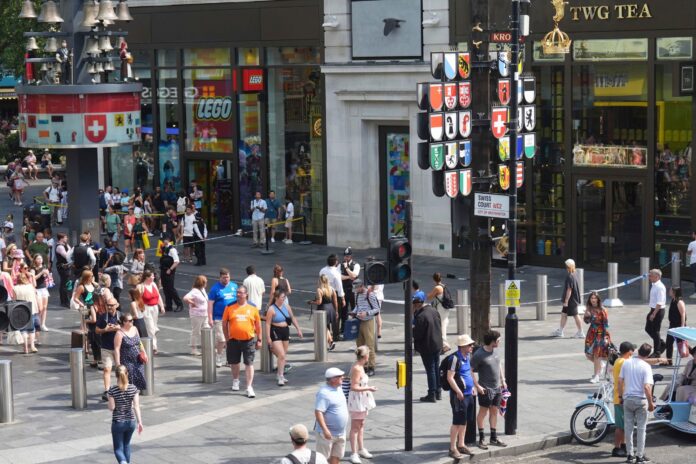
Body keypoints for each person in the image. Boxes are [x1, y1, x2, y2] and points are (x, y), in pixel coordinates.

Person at [618, 343, 656, 464]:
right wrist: (650, 403)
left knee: (628, 428)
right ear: (649, 354)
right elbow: (646, 387)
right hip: (640, 400)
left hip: (627, 399)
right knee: (641, 429)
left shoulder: (626, 362)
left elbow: (619, 381)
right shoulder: (646, 367)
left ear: (638, 351)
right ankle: (640, 456)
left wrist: (620, 396)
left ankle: (630, 455)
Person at [446, 334, 482, 459]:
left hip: (469, 394)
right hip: (459, 396)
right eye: (469, 345)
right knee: (457, 421)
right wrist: (458, 391)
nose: (472, 346)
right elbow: (450, 377)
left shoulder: (467, 356)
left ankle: (461, 444)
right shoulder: (454, 359)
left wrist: (472, 387)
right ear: (462, 346)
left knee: (464, 420)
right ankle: (452, 448)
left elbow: (468, 372)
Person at [222, 285, 261, 398]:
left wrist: (259, 339)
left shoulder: (253, 307)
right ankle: (235, 380)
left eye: (241, 293)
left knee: (249, 363)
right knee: (234, 362)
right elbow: (224, 323)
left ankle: (249, 387)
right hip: (233, 340)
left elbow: (258, 325)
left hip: (248, 340)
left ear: (246, 294)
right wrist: (226, 338)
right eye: (237, 292)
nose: (238, 294)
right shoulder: (229, 306)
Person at [471, 330, 507, 450]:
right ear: (493, 341)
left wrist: (503, 380)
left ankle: (493, 437)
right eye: (498, 340)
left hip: (497, 388)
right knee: (483, 412)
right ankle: (481, 438)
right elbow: (470, 370)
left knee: (494, 412)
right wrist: (477, 385)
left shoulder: (495, 351)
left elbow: (499, 364)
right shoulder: (479, 354)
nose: (500, 341)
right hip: (485, 389)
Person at [265, 290, 303, 386]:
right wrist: (268, 337)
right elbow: (268, 324)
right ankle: (281, 376)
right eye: (282, 297)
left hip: (285, 330)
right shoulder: (271, 309)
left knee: (283, 355)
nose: (284, 299)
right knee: (281, 354)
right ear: (277, 298)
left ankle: (279, 373)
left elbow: (292, 317)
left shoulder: (286, 306)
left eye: (284, 297)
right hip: (275, 330)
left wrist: (298, 329)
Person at [347, 346, 377, 464]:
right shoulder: (357, 368)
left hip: (362, 400)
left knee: (361, 425)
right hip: (357, 401)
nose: (369, 356)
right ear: (365, 356)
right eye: (368, 354)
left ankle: (361, 449)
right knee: (355, 427)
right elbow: (353, 386)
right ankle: (354, 453)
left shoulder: (360, 366)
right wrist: (369, 387)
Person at [108, 365, 144, 462]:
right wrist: (140, 422)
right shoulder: (133, 388)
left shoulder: (112, 389)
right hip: (131, 421)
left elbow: (112, 408)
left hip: (118, 422)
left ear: (116, 376)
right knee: (126, 445)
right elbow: (136, 406)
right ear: (127, 374)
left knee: (118, 449)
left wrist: (110, 398)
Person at [412, 290, 443, 402]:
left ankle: (432, 394)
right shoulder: (434, 311)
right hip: (437, 344)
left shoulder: (421, 316)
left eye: (414, 304)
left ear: (417, 304)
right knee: (436, 368)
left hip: (427, 346)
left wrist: (412, 329)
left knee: (431, 370)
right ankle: (438, 392)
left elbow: (417, 334)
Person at [315, 367, 349, 464]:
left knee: (336, 457)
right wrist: (325, 430)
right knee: (322, 460)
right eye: (340, 376)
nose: (343, 377)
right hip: (327, 434)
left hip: (340, 433)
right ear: (333, 379)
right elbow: (318, 412)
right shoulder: (324, 393)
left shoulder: (339, 388)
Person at [208, 268, 238, 367]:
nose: (226, 279)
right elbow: (210, 304)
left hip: (232, 318)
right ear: (220, 277)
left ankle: (229, 359)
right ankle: (219, 356)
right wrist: (210, 317)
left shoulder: (234, 286)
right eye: (224, 278)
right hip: (219, 318)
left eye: (228, 277)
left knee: (231, 339)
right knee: (221, 339)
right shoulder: (215, 288)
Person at [351, 280, 380, 376]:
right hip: (358, 320)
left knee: (369, 345)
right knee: (359, 345)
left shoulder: (370, 295)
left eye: (357, 288)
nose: (355, 290)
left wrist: (366, 313)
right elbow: (357, 306)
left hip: (368, 321)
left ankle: (371, 366)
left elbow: (377, 309)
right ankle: (363, 365)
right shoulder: (357, 294)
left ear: (362, 286)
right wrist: (354, 312)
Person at [96, 293, 122, 402]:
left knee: (120, 370)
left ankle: (120, 389)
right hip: (106, 347)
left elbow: (128, 327)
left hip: (119, 348)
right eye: (108, 305)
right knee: (107, 368)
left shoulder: (121, 316)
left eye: (112, 305)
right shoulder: (103, 317)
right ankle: (107, 391)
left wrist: (118, 328)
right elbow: (97, 330)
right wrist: (105, 330)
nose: (110, 307)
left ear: (117, 305)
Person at [583, 291, 612, 383]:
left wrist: (604, 338)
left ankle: (597, 375)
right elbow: (586, 322)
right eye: (591, 298)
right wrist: (586, 315)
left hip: (600, 333)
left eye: (595, 298)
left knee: (597, 355)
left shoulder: (603, 310)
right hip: (591, 333)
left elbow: (606, 324)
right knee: (588, 354)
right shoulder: (589, 308)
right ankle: (601, 366)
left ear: (598, 299)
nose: (593, 300)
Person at [113, 313, 147, 392]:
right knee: (130, 377)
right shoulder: (119, 333)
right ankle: (130, 395)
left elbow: (139, 342)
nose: (132, 322)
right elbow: (117, 349)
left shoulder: (135, 329)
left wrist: (144, 352)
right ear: (124, 322)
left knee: (139, 375)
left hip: (137, 358)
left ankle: (135, 393)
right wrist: (118, 364)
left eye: (132, 320)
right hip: (126, 360)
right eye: (130, 320)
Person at [552, 258, 584, 338]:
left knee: (575, 315)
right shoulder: (574, 274)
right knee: (564, 314)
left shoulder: (570, 276)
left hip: (571, 300)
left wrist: (566, 301)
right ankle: (561, 330)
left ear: (568, 267)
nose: (565, 267)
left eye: (566, 266)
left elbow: (569, 289)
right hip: (573, 299)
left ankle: (580, 332)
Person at [137, 270, 164, 354]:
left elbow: (158, 296)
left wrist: (162, 306)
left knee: (154, 327)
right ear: (147, 277)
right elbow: (137, 299)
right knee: (151, 328)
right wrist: (140, 309)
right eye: (152, 276)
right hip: (146, 309)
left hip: (155, 308)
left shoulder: (153, 284)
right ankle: (153, 347)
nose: (153, 277)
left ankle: (149, 342)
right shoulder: (140, 286)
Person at [320, 254, 346, 341]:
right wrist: (342, 298)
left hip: (323, 293)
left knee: (325, 315)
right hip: (333, 293)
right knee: (336, 315)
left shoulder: (322, 270)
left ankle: (326, 334)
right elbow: (339, 286)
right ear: (335, 262)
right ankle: (336, 336)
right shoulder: (336, 272)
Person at [183, 275, 209, 356]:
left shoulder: (202, 290)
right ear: (202, 283)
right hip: (197, 314)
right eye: (205, 282)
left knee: (207, 329)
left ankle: (207, 347)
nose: (206, 284)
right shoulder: (194, 291)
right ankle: (193, 349)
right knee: (196, 331)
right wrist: (192, 303)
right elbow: (185, 298)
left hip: (204, 314)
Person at [310, 274, 338, 351]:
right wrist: (336, 311)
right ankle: (330, 342)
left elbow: (319, 302)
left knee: (323, 327)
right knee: (327, 327)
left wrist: (312, 302)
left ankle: (328, 343)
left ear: (320, 281)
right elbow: (335, 301)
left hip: (323, 309)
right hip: (331, 308)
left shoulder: (319, 290)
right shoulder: (331, 289)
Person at [14, 273, 39, 354]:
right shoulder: (30, 286)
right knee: (31, 329)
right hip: (32, 310)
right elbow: (35, 296)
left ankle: (25, 348)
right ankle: (32, 346)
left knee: (23, 330)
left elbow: (14, 301)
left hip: (21, 311)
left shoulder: (15, 288)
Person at [426, 272, 450, 352]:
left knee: (441, 326)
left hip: (440, 309)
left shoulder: (437, 288)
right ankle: (444, 344)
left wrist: (427, 294)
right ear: (441, 278)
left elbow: (429, 297)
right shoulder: (443, 286)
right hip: (445, 308)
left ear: (434, 279)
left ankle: (445, 345)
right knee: (444, 323)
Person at [646, 269, 667, 356]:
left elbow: (660, 302)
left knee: (655, 331)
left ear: (657, 276)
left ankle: (657, 351)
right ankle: (661, 343)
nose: (649, 277)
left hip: (658, 310)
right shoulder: (654, 285)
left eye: (651, 275)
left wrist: (654, 314)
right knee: (648, 328)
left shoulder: (660, 287)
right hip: (653, 309)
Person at [159, 234, 183, 312]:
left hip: (169, 271)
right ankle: (168, 305)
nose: (163, 241)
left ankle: (179, 304)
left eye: (165, 240)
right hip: (163, 270)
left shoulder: (172, 250)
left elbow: (176, 261)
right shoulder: (163, 248)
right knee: (165, 289)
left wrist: (170, 269)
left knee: (171, 289)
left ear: (168, 240)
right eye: (163, 240)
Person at [340, 248, 360, 338]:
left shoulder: (356, 265)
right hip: (344, 289)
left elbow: (354, 276)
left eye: (348, 256)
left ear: (351, 256)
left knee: (354, 308)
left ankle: (356, 327)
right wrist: (349, 276)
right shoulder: (340, 265)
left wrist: (347, 268)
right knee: (343, 310)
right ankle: (343, 328)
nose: (346, 258)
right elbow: (339, 277)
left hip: (354, 290)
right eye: (345, 256)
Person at [665, 287, 687, 363]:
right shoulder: (673, 300)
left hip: (678, 327)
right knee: (669, 343)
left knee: (681, 343)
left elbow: (683, 314)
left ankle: (693, 353)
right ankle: (669, 361)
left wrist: (682, 326)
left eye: (670, 290)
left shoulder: (679, 302)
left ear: (674, 292)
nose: (669, 291)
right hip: (672, 326)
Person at [29, 254, 50, 332]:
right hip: (37, 289)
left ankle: (43, 324)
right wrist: (41, 273)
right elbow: (33, 278)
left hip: (44, 288)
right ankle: (36, 323)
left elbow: (47, 278)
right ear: (35, 260)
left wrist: (48, 274)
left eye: (41, 258)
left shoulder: (44, 267)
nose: (40, 260)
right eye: (38, 258)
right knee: (40, 308)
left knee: (45, 308)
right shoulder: (33, 269)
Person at [55, 232, 71, 307]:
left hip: (67, 266)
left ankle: (65, 300)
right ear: (61, 238)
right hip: (62, 266)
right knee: (64, 283)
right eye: (65, 237)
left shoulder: (66, 245)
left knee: (65, 283)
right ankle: (65, 301)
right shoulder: (60, 247)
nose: (66, 238)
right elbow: (66, 256)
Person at [687, 231, 696, 298]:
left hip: (694, 262)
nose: (692, 235)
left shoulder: (692, 243)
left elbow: (688, 253)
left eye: (693, 234)